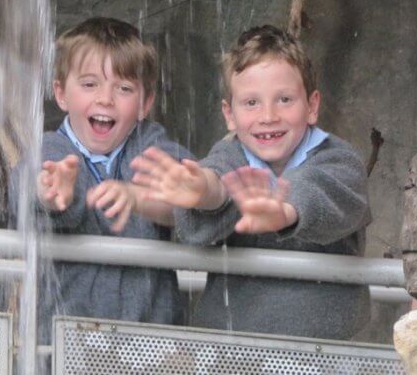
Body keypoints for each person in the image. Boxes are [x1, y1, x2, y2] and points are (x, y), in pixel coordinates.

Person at [132, 24, 371, 339]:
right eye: (251, 103)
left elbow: (322, 188)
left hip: (321, 350)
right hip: (231, 349)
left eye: (284, 99)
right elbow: (220, 178)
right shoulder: (232, 154)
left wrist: (285, 211)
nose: (268, 115)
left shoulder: (338, 159)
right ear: (229, 115)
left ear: (312, 107)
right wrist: (202, 190)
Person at [34, 17, 192, 345]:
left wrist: (139, 198)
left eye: (123, 88)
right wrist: (54, 196)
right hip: (67, 345)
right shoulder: (51, 148)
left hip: (151, 345)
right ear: (61, 94)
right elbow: (29, 193)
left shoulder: (149, 144)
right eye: (90, 84)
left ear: (145, 103)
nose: (106, 98)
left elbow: (185, 193)